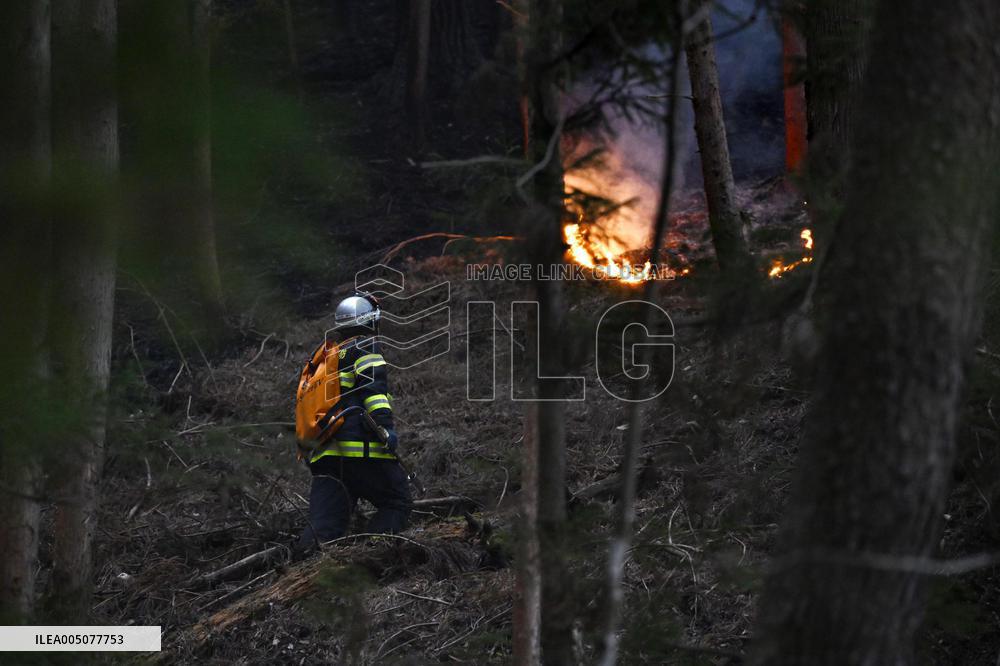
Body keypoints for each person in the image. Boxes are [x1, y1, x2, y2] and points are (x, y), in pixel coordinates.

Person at [297, 293, 412, 552]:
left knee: (323, 527)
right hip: (360, 450)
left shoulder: (325, 360)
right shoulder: (365, 348)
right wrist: (385, 430)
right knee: (397, 502)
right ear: (371, 322)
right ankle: (369, 554)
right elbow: (375, 394)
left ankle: (303, 569)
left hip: (324, 454)